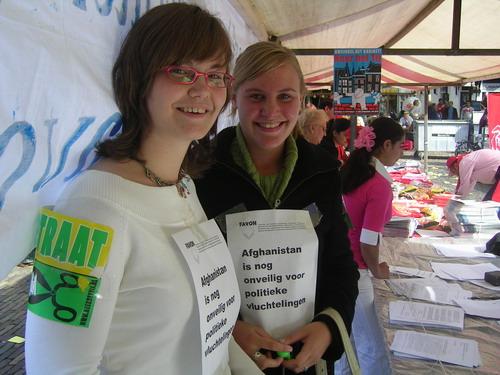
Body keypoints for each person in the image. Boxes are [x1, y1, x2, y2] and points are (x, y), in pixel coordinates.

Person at [25, 4, 260, 374]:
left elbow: (212, 335)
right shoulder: (85, 210)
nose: (202, 90)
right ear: (140, 77)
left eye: (216, 75)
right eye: (182, 71)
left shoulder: (183, 187)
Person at [195, 41, 359, 375]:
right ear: (234, 96)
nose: (271, 111)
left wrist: (328, 327)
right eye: (256, 96)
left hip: (303, 359)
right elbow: (190, 276)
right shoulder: (202, 169)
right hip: (226, 359)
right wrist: (229, 329)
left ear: (301, 100)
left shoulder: (324, 171)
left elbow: (341, 264)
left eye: (285, 96)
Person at [335, 118, 404, 375]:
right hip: (357, 269)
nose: (402, 152)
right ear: (386, 145)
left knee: (348, 339)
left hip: (341, 263)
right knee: (372, 346)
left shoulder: (353, 171)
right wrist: (377, 269)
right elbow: (367, 239)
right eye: (400, 146)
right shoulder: (378, 184)